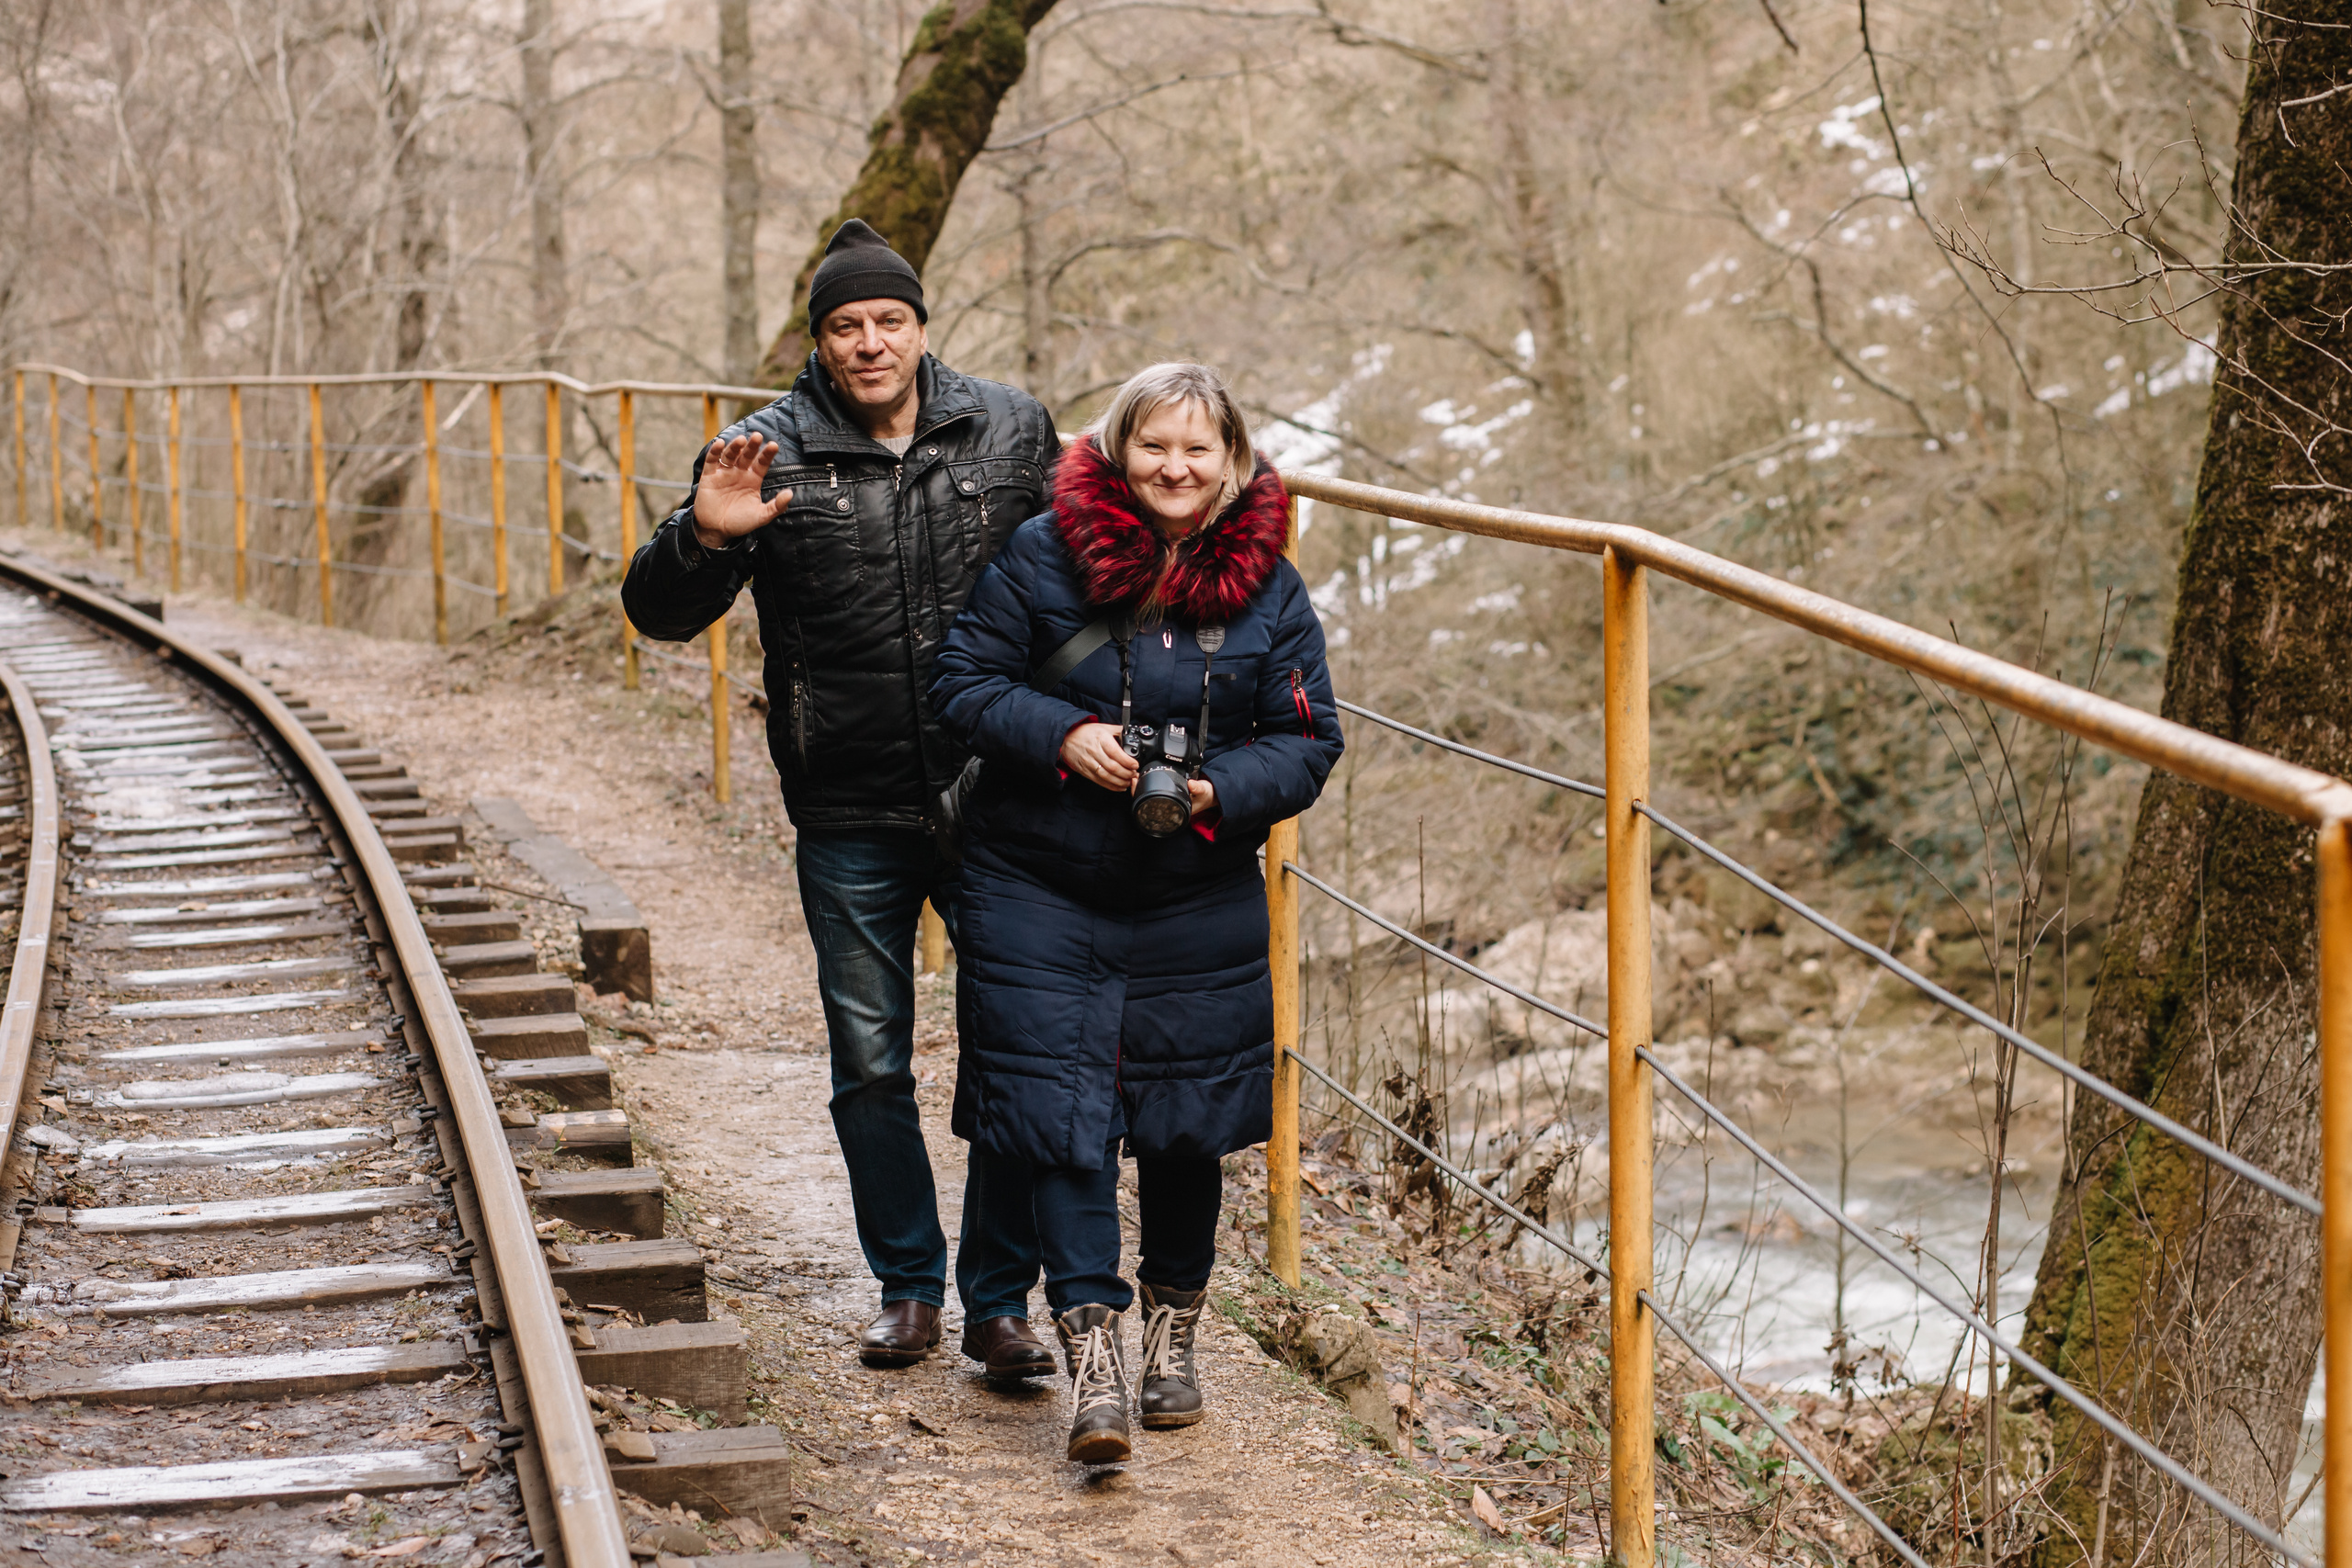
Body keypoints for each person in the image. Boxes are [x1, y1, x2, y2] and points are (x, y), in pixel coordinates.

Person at [621, 220, 1064, 1378]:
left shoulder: (1011, 426)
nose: (869, 343)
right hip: (849, 801)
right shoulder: (763, 448)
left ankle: (1000, 1301)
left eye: (888, 321)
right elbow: (658, 613)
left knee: (1013, 1044)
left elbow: (1084, 577)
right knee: (870, 1057)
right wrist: (702, 540)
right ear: (819, 339)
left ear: (920, 326)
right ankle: (907, 1288)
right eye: (844, 326)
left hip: (1000, 794)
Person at [927, 361, 1343, 1463]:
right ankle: (1094, 1361)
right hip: (1035, 881)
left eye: (1197, 450)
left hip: (1193, 887)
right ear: (1117, 451)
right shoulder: (1040, 556)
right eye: (1154, 445)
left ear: (1232, 464)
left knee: (1184, 1121)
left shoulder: (1272, 591)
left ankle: (1173, 1342)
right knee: (1060, 1118)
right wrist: (1061, 737)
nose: (1175, 468)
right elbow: (962, 683)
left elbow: (1309, 743)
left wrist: (1214, 791)